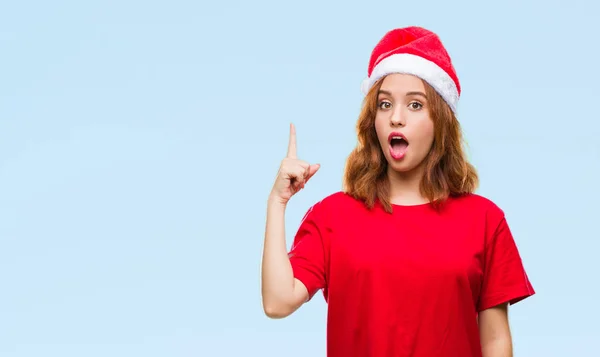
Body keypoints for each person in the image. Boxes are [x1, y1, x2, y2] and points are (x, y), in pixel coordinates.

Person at [261, 26, 535, 357]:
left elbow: (495, 342)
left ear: (440, 121)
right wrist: (277, 202)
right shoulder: (333, 216)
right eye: (385, 104)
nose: (396, 118)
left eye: (415, 105)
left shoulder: (485, 220)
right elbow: (277, 302)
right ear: (372, 119)